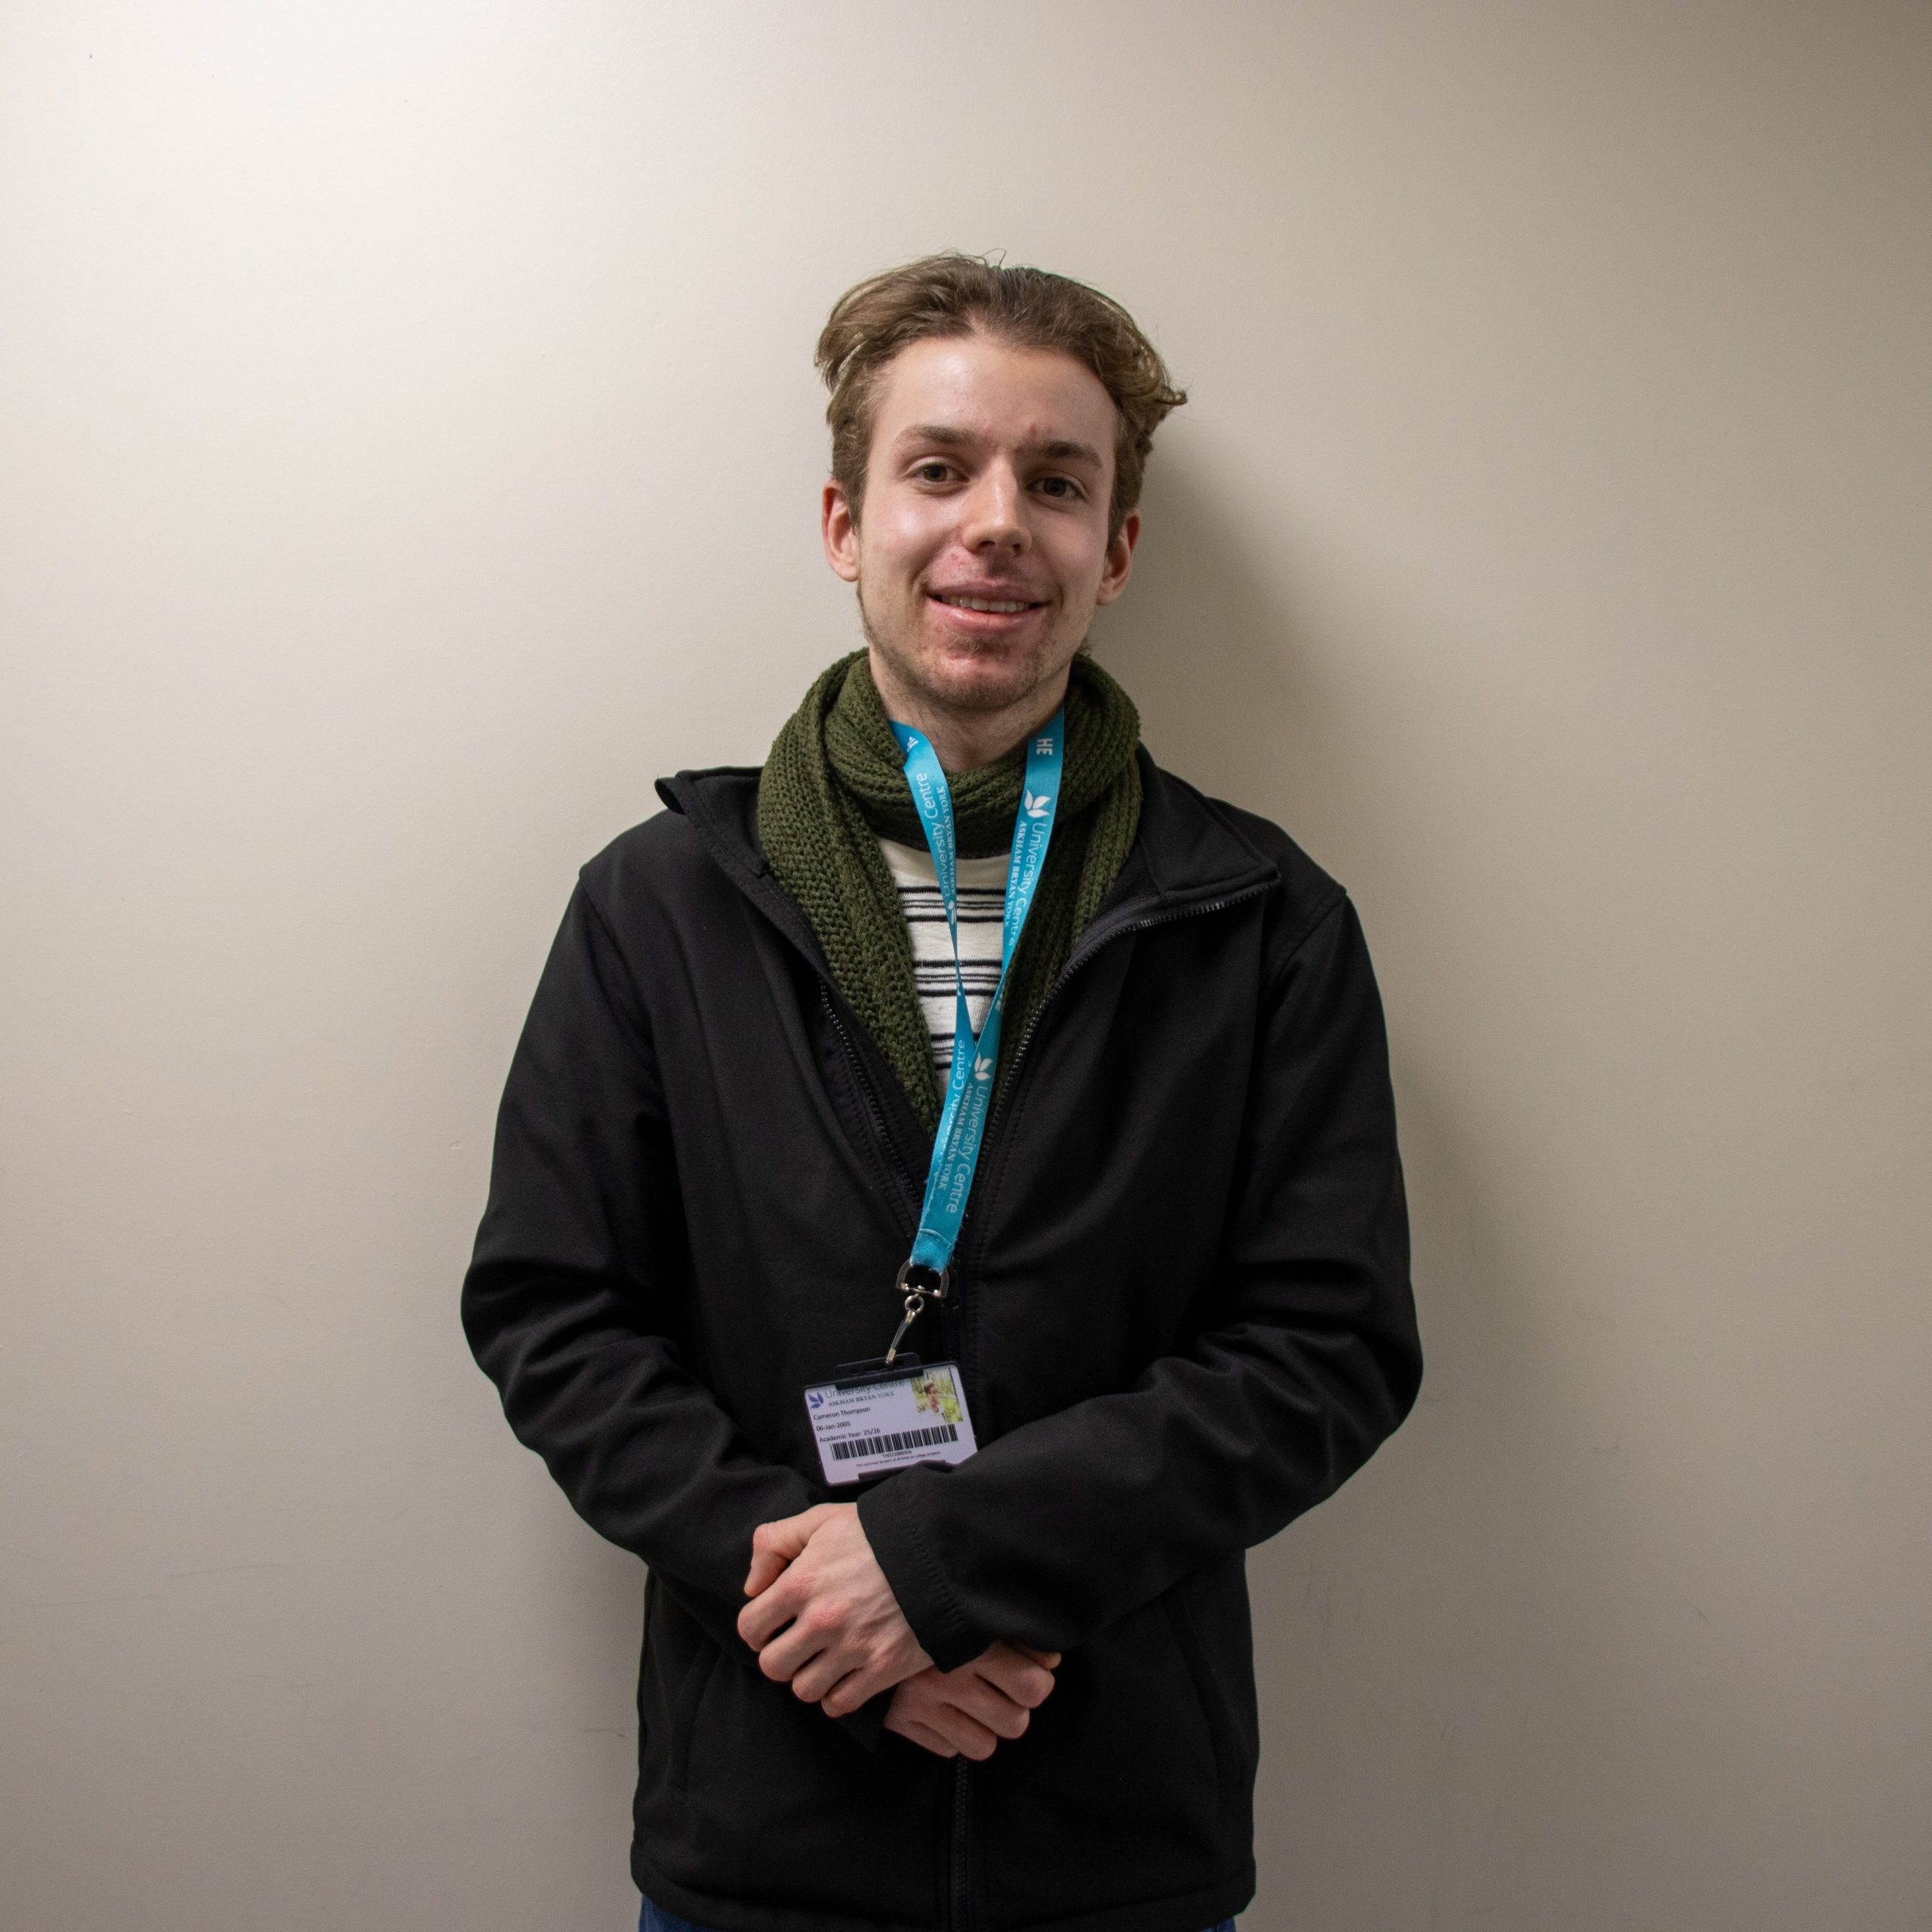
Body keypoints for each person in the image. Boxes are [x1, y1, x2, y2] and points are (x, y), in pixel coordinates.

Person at [462, 253, 1423, 1932]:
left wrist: (943, 1566)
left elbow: (1326, 1349)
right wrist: (826, 1607)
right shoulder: (658, 906)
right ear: (847, 522)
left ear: (1115, 549)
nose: (996, 524)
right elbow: (556, 1312)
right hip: (763, 1830)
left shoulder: (1261, 921)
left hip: (1115, 1840)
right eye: (938, 468)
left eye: (1055, 482)